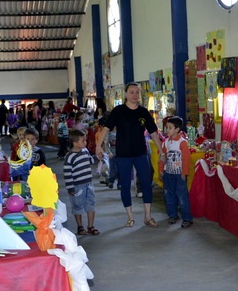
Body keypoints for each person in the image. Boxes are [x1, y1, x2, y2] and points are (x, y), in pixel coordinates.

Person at [95, 81, 166, 228]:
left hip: (141, 153)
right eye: (132, 92)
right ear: (126, 94)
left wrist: (161, 150)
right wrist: (98, 146)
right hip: (123, 155)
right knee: (125, 185)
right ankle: (130, 217)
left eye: (137, 92)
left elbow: (153, 132)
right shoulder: (118, 111)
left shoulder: (143, 112)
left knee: (146, 183)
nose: (135, 95)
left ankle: (147, 216)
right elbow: (106, 129)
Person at [158, 116, 194, 228]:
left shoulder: (182, 142)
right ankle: (172, 215)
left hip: (179, 175)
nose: (167, 130)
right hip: (168, 174)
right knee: (169, 196)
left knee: (182, 197)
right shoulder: (166, 142)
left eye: (169, 128)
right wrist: (160, 169)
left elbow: (186, 159)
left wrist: (184, 172)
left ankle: (187, 218)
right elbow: (162, 156)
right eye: (166, 128)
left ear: (177, 129)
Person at [64, 129, 99, 236]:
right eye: (83, 141)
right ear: (75, 143)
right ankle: (80, 226)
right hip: (77, 186)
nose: (86, 143)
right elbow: (67, 174)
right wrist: (70, 188)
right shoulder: (69, 156)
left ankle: (90, 226)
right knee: (77, 206)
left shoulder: (85, 151)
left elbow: (90, 161)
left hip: (89, 184)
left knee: (91, 204)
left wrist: (97, 157)